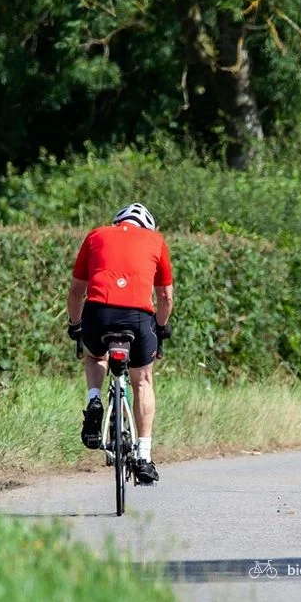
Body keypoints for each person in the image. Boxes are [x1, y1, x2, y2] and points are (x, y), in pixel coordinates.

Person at [65, 203, 173, 485]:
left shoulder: (96, 235)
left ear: (117, 222)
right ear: (147, 227)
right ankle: (145, 457)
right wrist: (160, 329)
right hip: (139, 318)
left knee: (95, 356)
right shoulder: (156, 241)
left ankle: (94, 399)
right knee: (142, 380)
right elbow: (165, 298)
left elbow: (77, 291)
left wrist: (75, 325)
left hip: (98, 313)